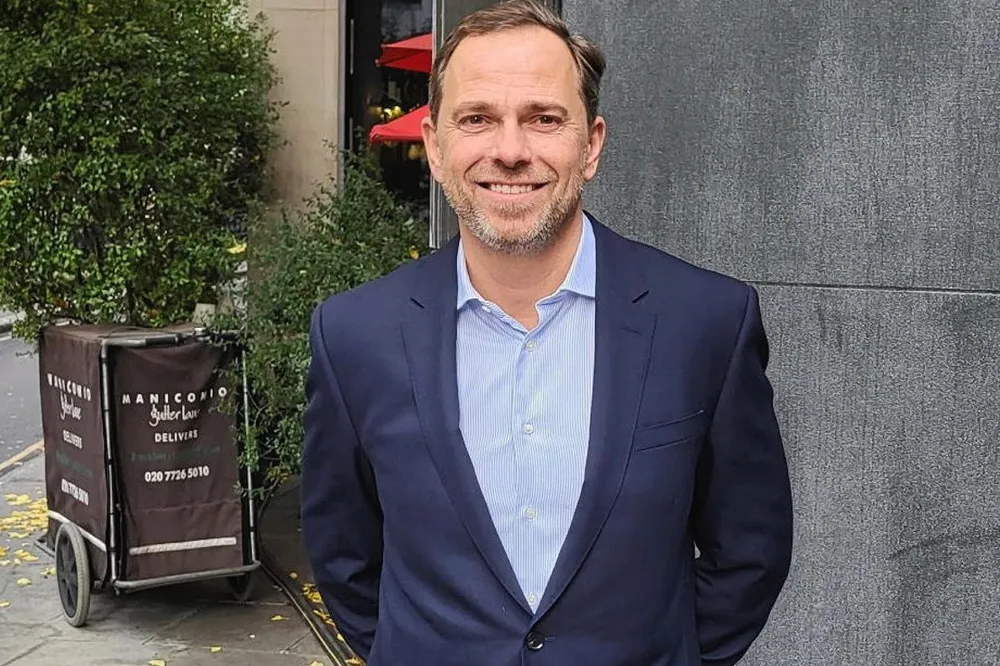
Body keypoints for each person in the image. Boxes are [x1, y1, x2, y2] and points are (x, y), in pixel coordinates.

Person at [301, 1, 794, 664]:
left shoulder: (704, 322)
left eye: (544, 119)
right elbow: (343, 559)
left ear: (590, 145)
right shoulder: (354, 336)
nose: (510, 151)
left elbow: (751, 551)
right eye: (477, 119)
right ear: (436, 147)